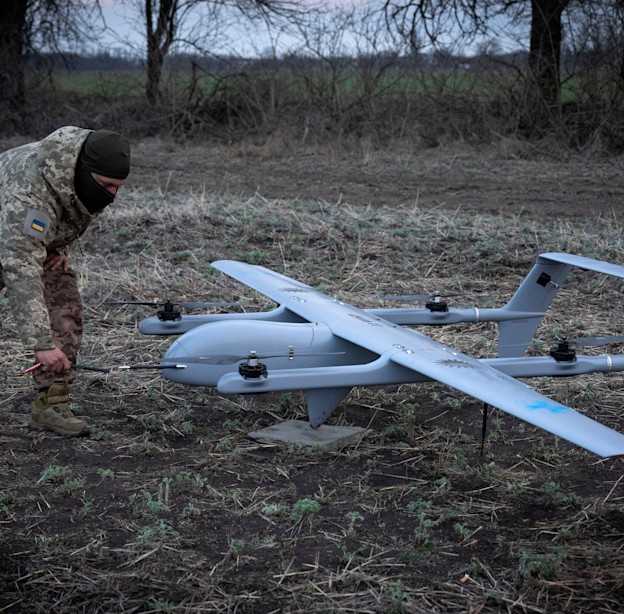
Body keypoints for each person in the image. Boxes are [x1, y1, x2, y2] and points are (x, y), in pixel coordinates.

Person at [0, 126, 131, 437]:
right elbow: (19, 265)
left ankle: (51, 403)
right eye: (106, 186)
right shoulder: (30, 190)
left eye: (118, 188)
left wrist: (58, 247)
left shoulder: (78, 176)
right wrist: (40, 344)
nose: (111, 196)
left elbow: (68, 211)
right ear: (86, 173)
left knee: (64, 300)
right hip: (11, 230)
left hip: (23, 236)